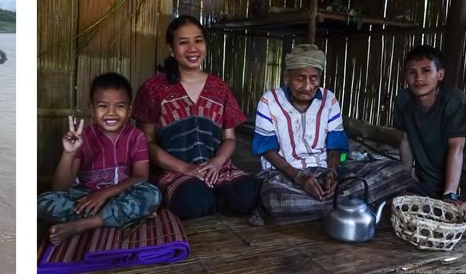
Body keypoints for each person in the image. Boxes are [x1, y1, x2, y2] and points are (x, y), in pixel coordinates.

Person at [251, 44, 413, 225]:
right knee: (273, 198)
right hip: (283, 177)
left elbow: (336, 145)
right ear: (287, 77)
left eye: (314, 79)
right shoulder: (270, 100)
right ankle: (348, 204)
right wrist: (299, 177)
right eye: (300, 78)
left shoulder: (329, 99)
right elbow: (266, 149)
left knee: (398, 172)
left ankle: (326, 204)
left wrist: (332, 172)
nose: (307, 86)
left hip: (322, 172)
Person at [132, 15, 258, 220]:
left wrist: (217, 163)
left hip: (217, 168)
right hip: (174, 171)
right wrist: (186, 168)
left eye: (198, 40)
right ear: (171, 49)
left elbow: (229, 139)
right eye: (183, 42)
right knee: (192, 201)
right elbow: (146, 143)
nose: (192, 48)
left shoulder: (220, 88)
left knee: (248, 194)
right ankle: (207, 196)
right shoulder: (154, 88)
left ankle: (212, 191)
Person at [39, 73, 161, 245]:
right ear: (92, 108)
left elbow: (141, 177)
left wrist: (103, 194)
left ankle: (82, 225)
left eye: (119, 106)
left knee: (152, 194)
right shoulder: (83, 137)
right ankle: (125, 215)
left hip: (120, 195)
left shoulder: (136, 136)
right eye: (103, 106)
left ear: (130, 110)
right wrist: (69, 153)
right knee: (43, 203)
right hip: (85, 198)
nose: (111, 113)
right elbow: (60, 187)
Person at [394, 45, 466, 234]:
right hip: (430, 184)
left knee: (463, 227)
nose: (419, 78)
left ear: (440, 74)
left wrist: (450, 195)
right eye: (412, 72)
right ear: (406, 77)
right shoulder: (403, 100)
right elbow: (406, 141)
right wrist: (403, 179)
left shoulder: (454, 101)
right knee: (398, 208)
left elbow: (457, 148)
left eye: (426, 71)